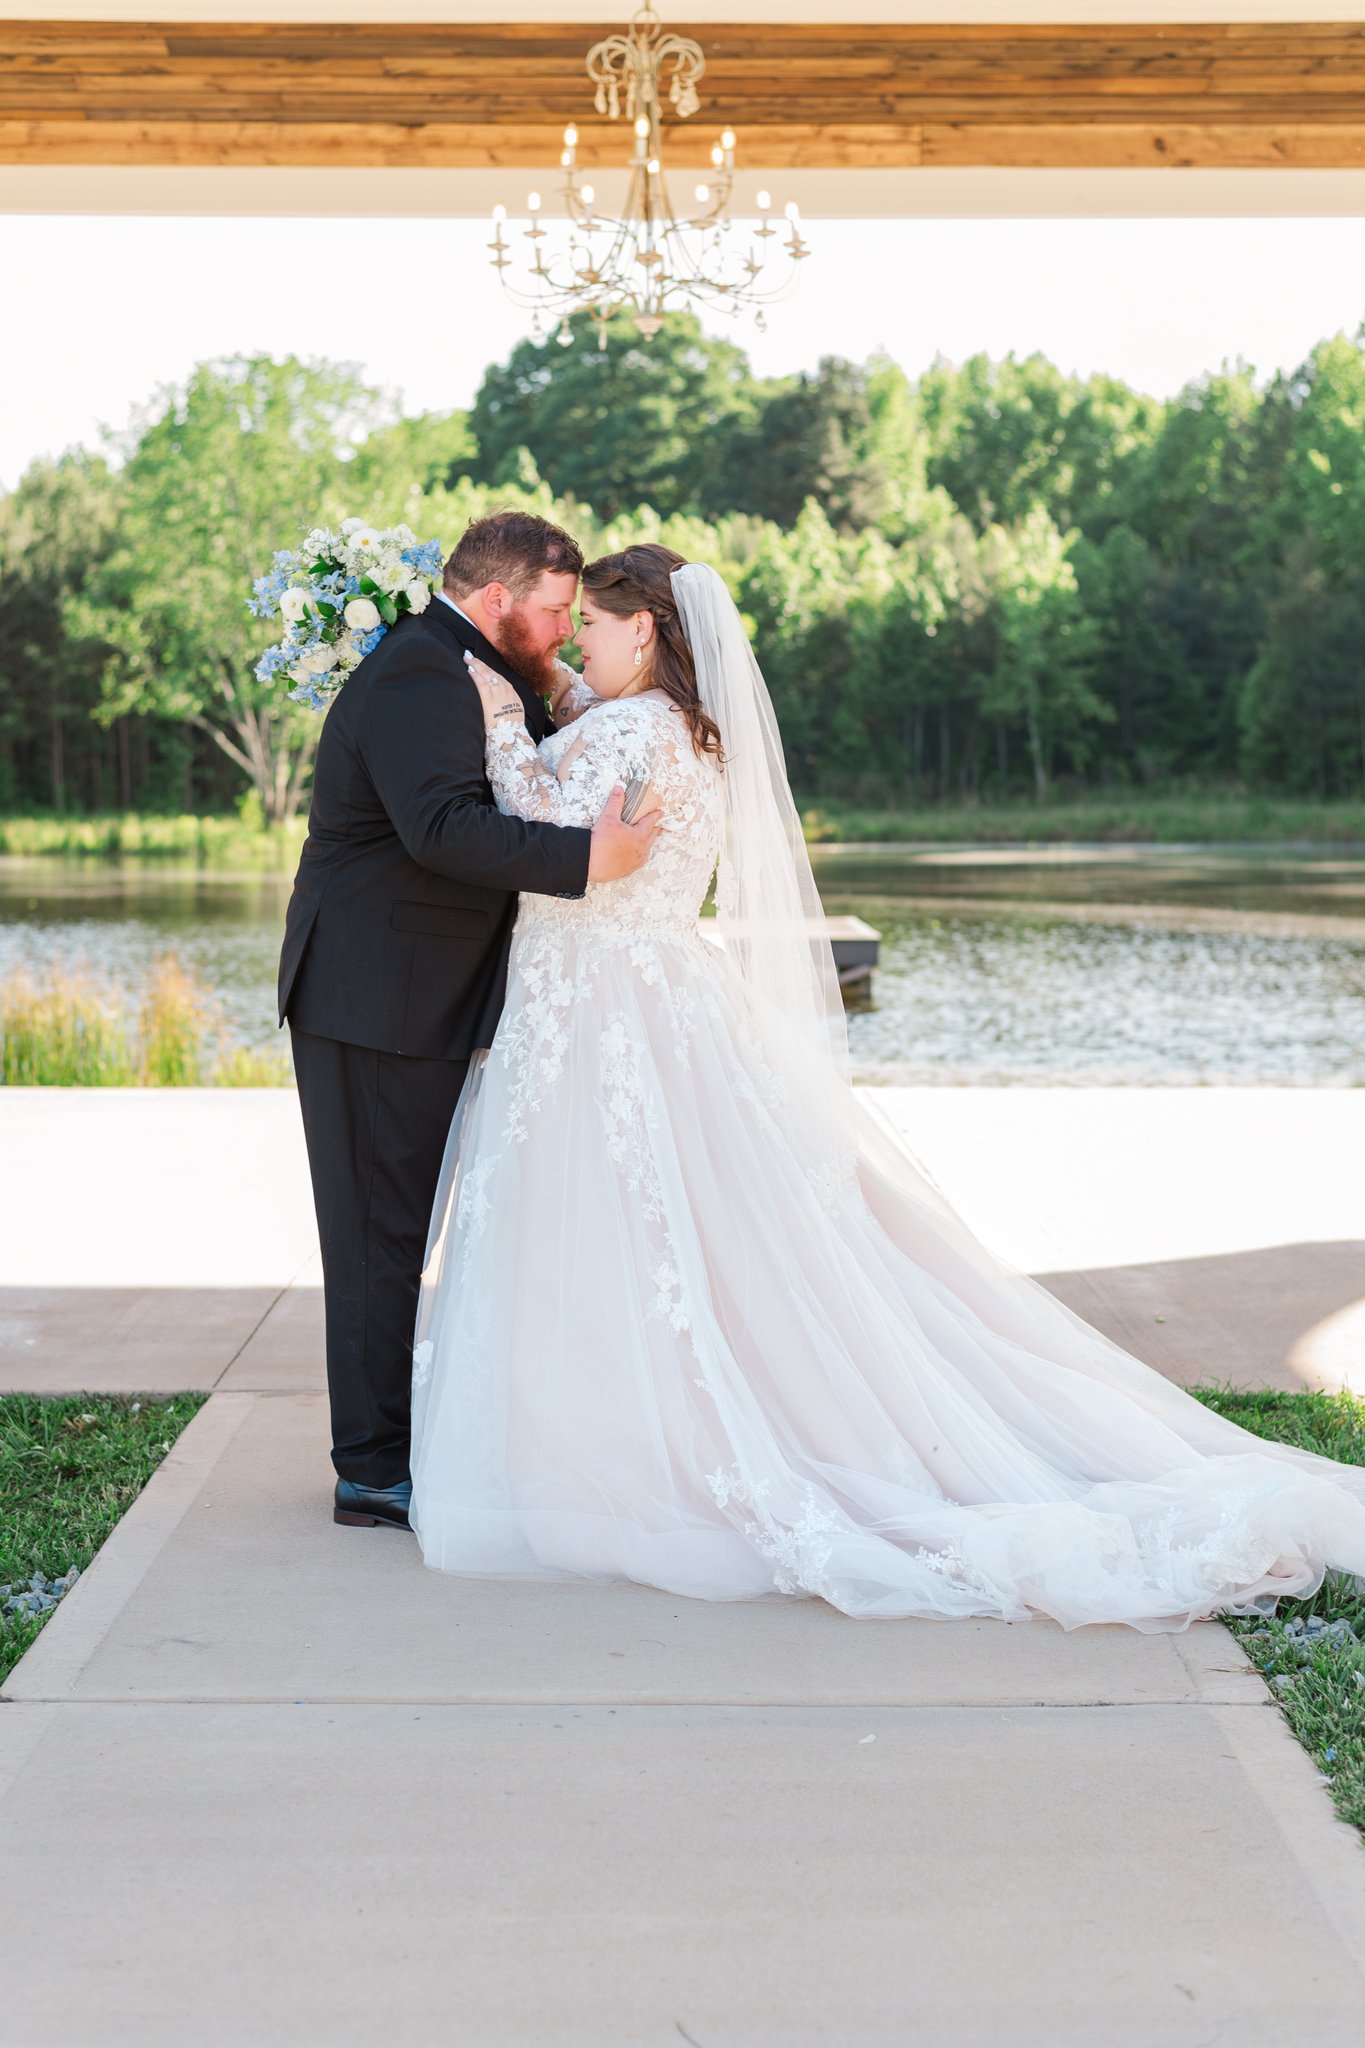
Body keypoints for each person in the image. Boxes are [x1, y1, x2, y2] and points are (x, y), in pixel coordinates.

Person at [406, 540, 1365, 1631]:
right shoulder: (695, 734)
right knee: (691, 1239)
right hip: (658, 996)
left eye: (595, 623)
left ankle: (607, 1458)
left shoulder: (628, 729)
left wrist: (492, 707)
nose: (576, 637)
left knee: (603, 1231)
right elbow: (597, 753)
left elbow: (537, 815)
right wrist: (563, 691)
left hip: (598, 1012)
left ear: (646, 629)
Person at [278, 512, 661, 1532]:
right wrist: (592, 863)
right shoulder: (419, 671)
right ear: (501, 601)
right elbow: (443, 827)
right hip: (373, 997)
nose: (563, 629)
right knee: (374, 1237)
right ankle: (370, 1470)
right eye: (554, 612)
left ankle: (399, 1446)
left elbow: (523, 771)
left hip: (423, 993)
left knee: (403, 1229)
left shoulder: (482, 669)